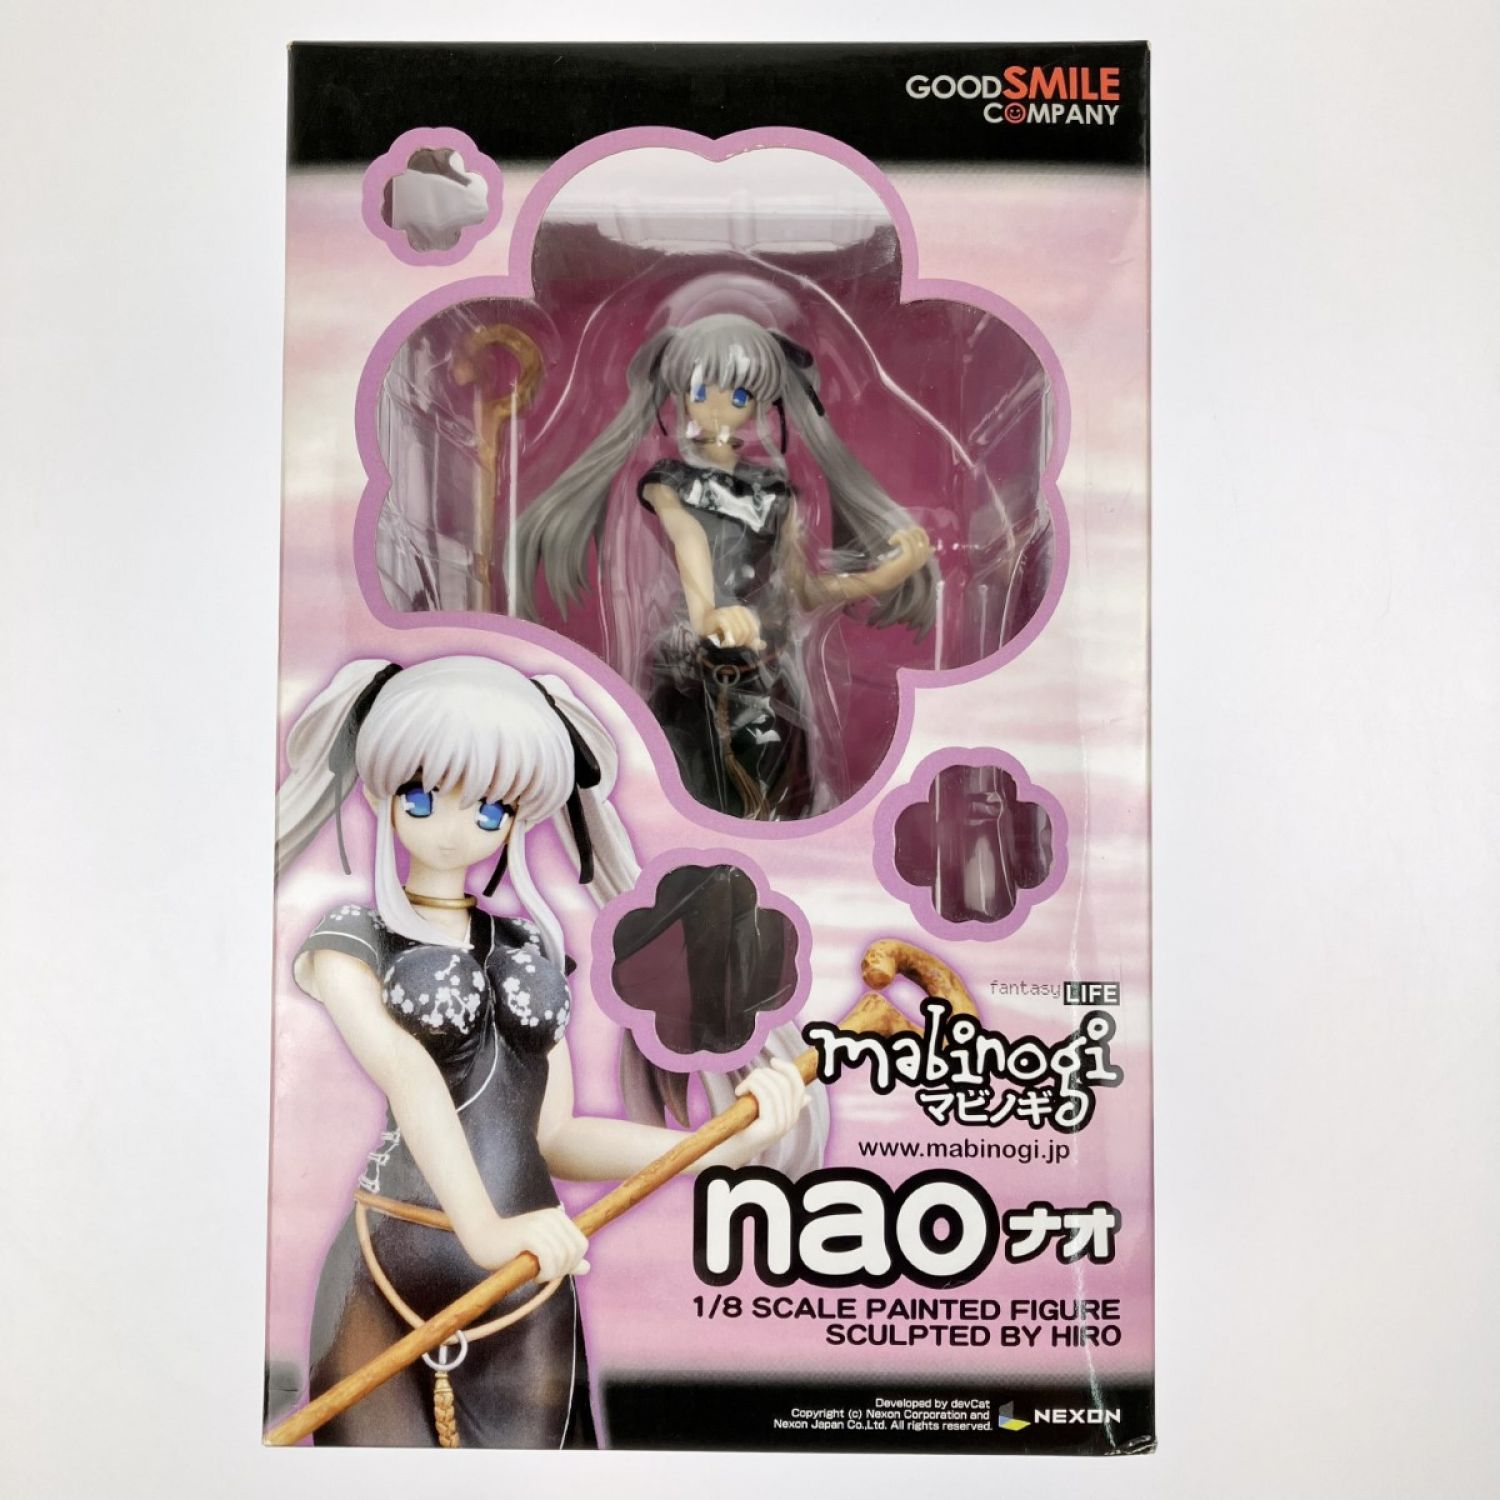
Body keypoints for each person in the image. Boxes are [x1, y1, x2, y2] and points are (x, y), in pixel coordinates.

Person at [273, 654, 813, 1446]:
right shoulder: (350, 941)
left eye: (490, 809)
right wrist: (485, 1231)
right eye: (423, 796)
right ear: (383, 793)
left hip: (529, 1273)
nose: (455, 828)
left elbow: (554, 1137)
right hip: (388, 1265)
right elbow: (410, 1073)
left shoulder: (529, 948)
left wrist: (718, 1147)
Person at [511, 313, 937, 820]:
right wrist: (706, 614)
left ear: (761, 405)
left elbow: (801, 589)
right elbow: (687, 535)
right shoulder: (670, 480)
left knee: (781, 802)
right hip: (697, 670)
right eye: (700, 392)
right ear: (678, 397)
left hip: (767, 672)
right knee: (693, 793)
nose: (717, 408)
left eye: (738, 396)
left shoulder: (777, 494)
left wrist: (884, 576)